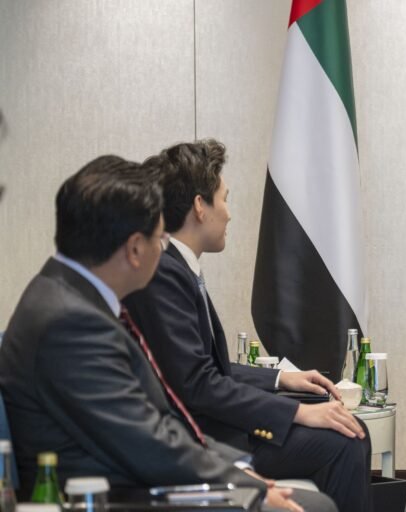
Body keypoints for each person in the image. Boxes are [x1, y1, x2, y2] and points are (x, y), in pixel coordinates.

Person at [0, 155, 335, 512]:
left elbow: (150, 424)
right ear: (134, 249)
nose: (163, 252)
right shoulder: (71, 323)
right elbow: (143, 441)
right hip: (110, 495)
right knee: (316, 507)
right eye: (160, 239)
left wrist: (236, 469)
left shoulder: (67, 295)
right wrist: (242, 483)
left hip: (131, 478)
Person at [123, 140, 371, 512]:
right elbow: (198, 384)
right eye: (225, 200)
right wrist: (297, 412)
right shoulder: (165, 275)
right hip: (207, 437)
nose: (229, 214)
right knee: (348, 438)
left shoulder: (177, 268)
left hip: (217, 423)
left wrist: (282, 379)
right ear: (200, 207)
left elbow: (203, 366)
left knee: (340, 423)